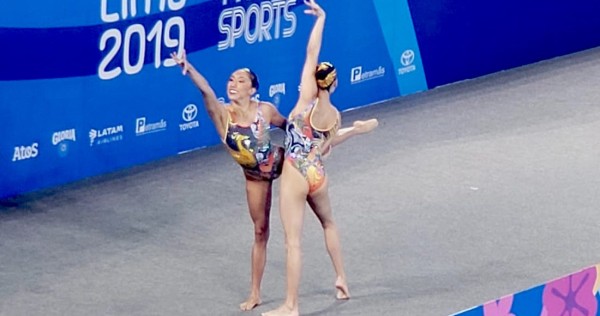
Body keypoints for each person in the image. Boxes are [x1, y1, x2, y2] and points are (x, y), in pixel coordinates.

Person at [263, 1, 378, 315]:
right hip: (317, 173)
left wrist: (320, 20)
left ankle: (291, 306)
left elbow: (311, 52)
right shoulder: (334, 116)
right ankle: (341, 278)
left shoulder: (303, 101)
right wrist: (357, 130)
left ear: (315, 81)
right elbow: (329, 145)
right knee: (329, 223)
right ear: (335, 84)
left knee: (293, 242)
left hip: (295, 173)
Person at [171, 50, 286, 311]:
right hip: (256, 179)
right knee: (260, 231)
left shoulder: (266, 109)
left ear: (253, 89)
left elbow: (287, 124)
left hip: (284, 165)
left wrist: (304, 142)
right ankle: (255, 292)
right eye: (231, 80)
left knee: (303, 216)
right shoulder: (223, 115)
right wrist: (188, 68)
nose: (233, 84)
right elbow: (207, 91)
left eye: (241, 80)